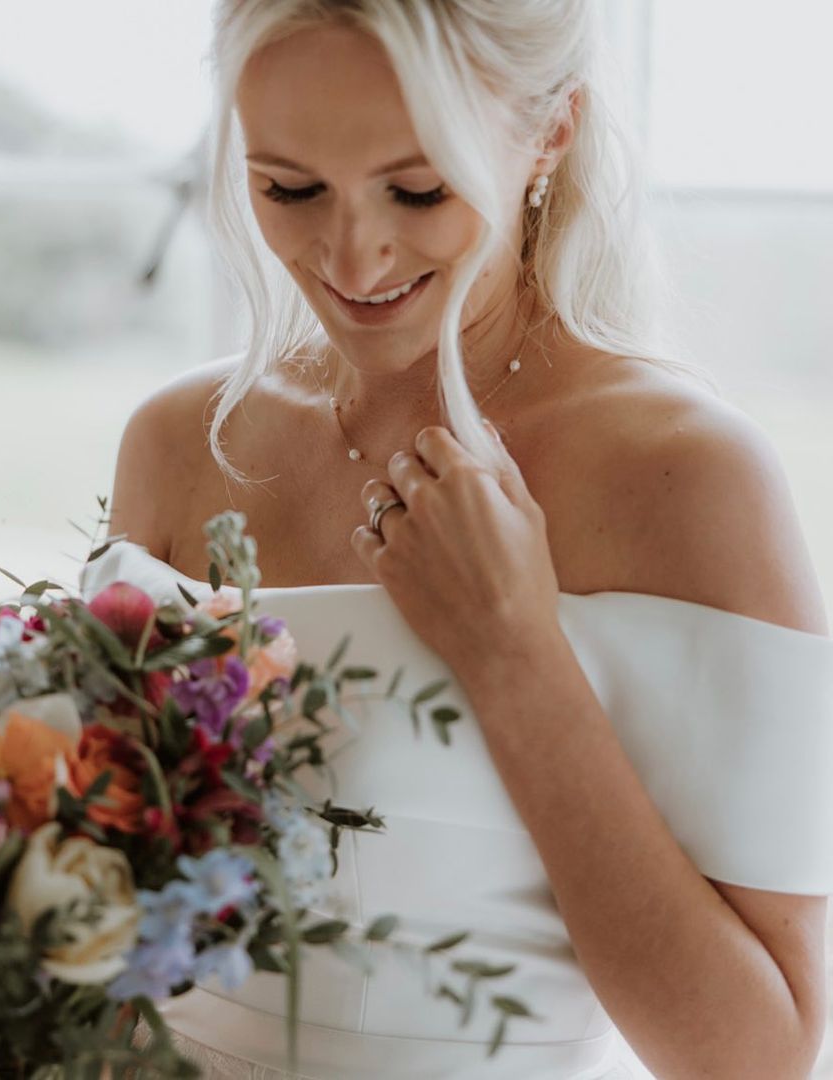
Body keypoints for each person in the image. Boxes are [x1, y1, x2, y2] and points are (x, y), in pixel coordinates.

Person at [88, 2, 833, 1076]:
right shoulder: (173, 443)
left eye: (419, 188)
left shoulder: (687, 479)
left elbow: (756, 1055)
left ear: (551, 133)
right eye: (289, 187)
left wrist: (512, 652)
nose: (351, 252)